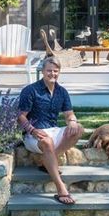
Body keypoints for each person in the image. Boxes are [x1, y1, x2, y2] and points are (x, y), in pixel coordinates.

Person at [17, 56, 84, 205]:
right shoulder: (30, 90)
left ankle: (47, 162)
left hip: (53, 130)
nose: (52, 74)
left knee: (78, 129)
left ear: (59, 72)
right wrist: (32, 130)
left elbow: (69, 113)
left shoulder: (62, 92)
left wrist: (72, 121)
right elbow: (21, 116)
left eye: (55, 71)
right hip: (32, 135)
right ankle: (61, 189)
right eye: (49, 71)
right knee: (46, 141)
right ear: (42, 71)